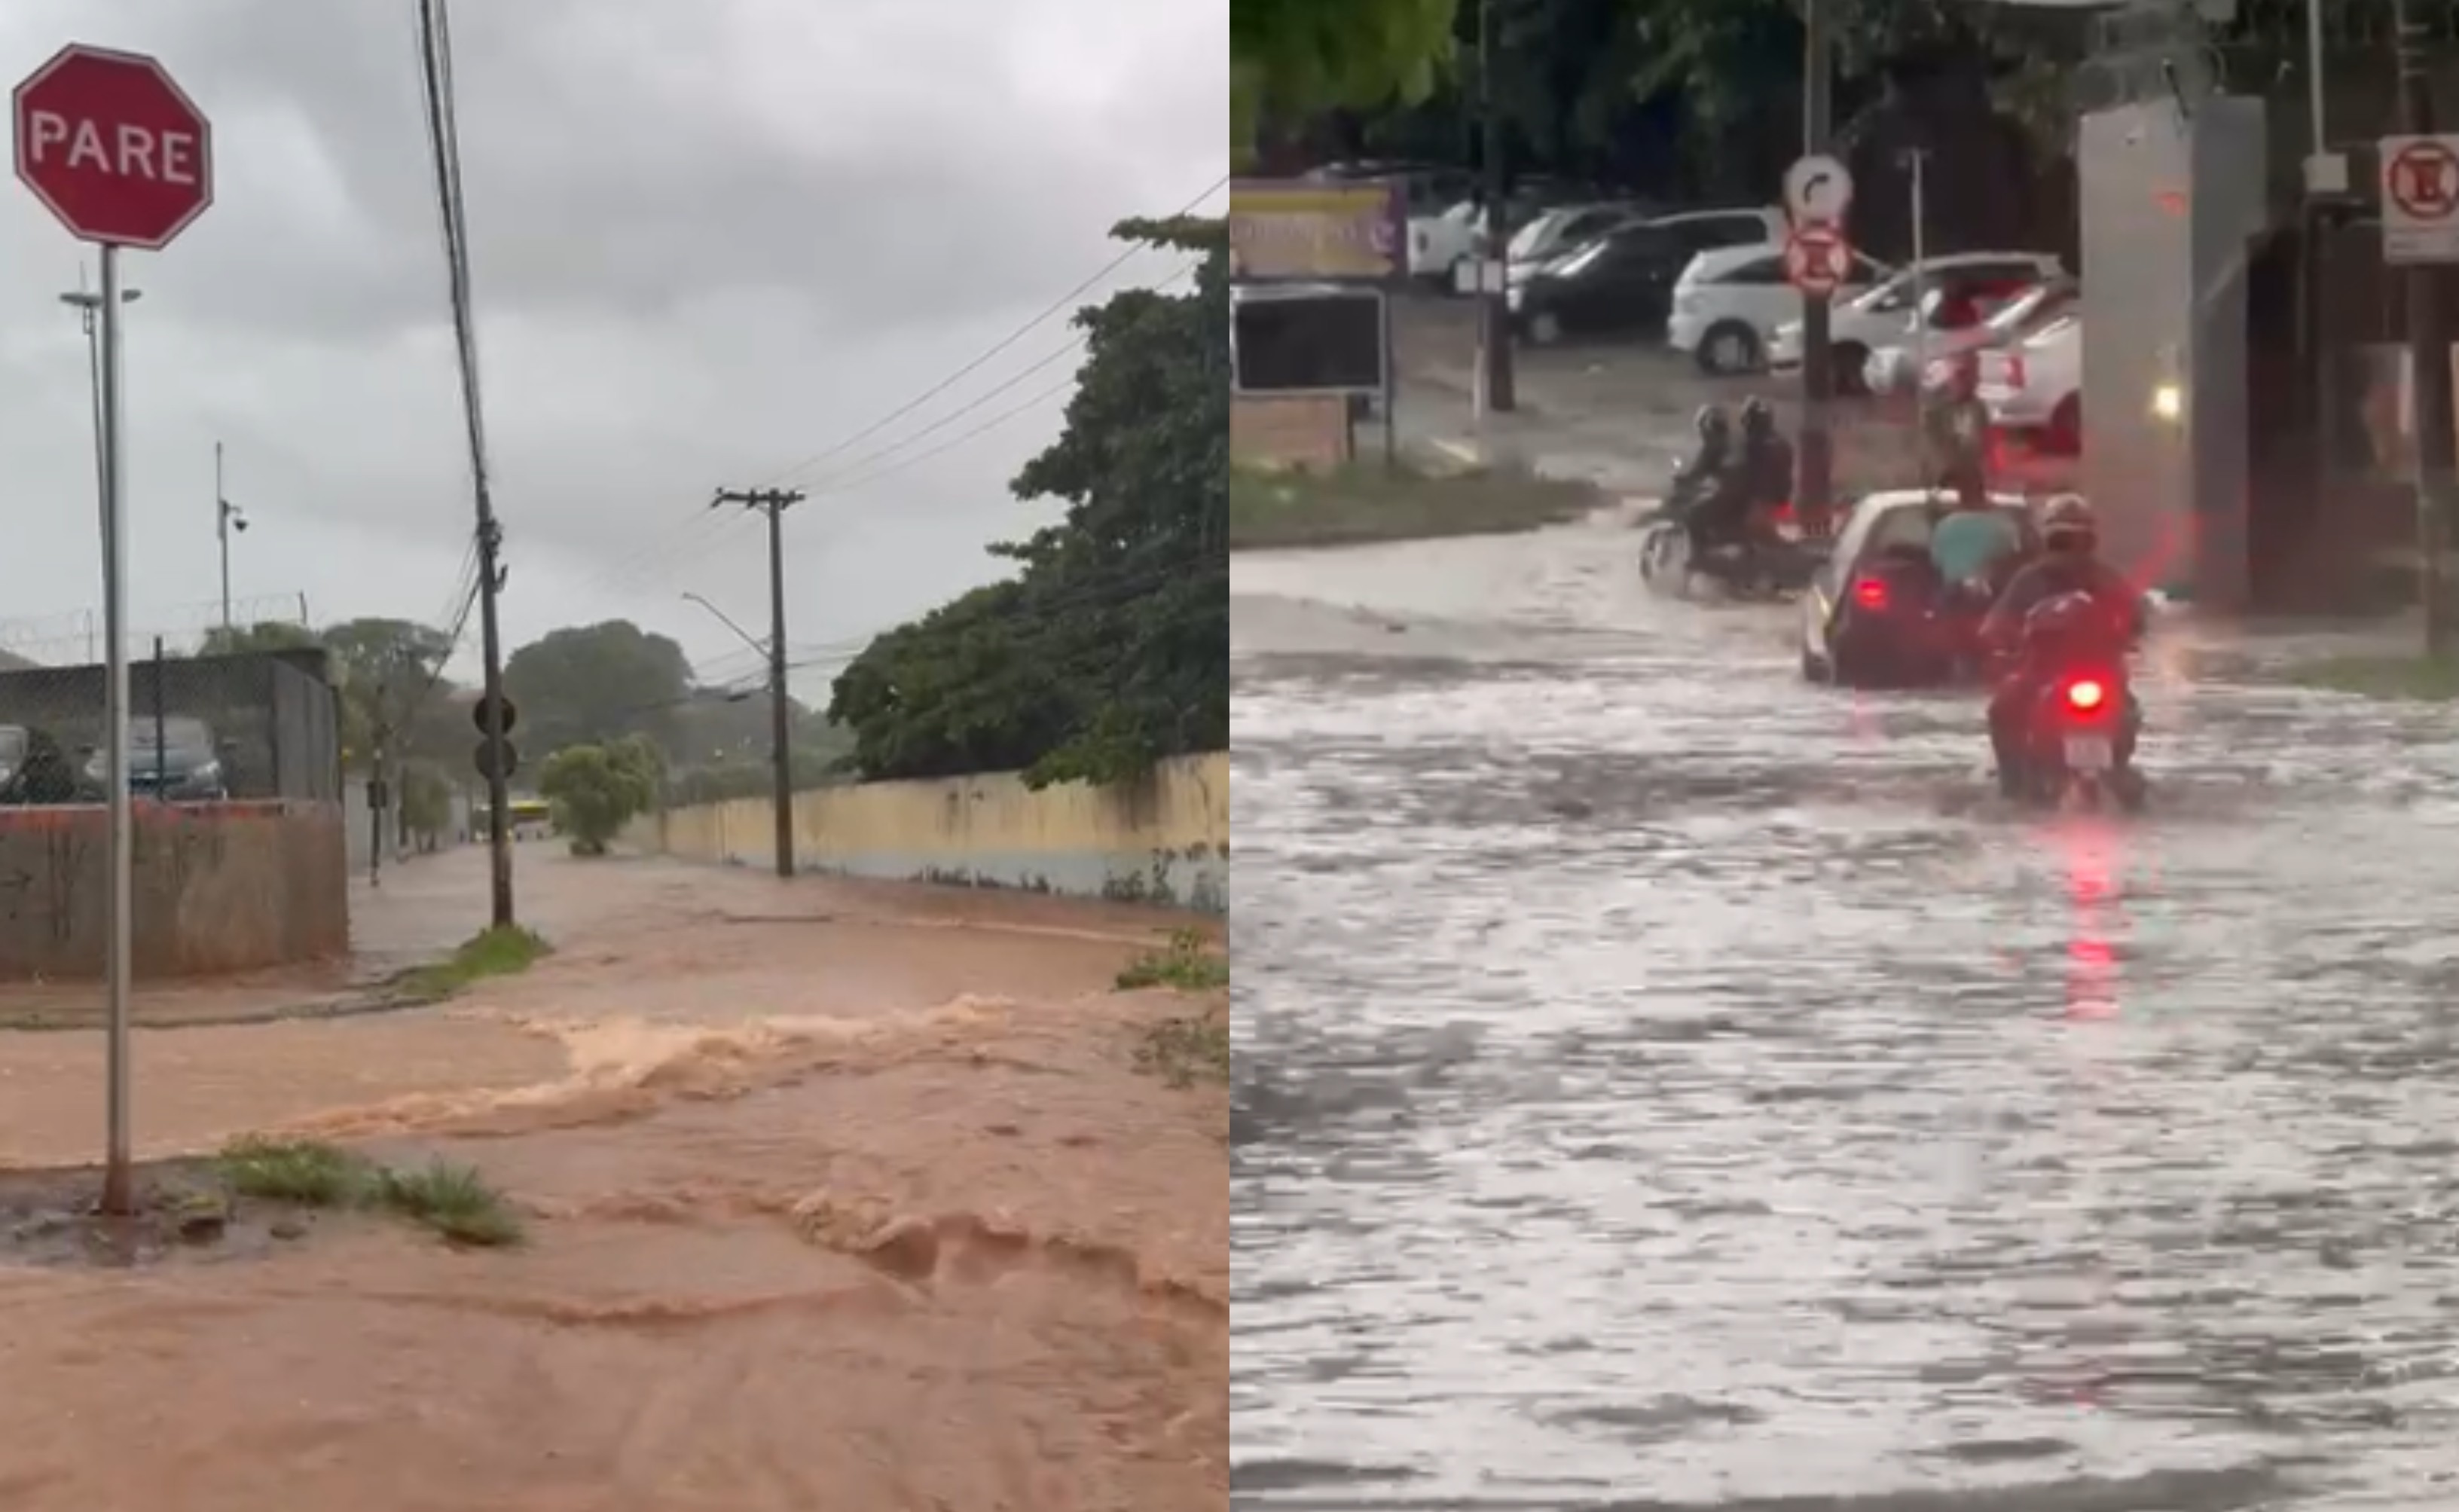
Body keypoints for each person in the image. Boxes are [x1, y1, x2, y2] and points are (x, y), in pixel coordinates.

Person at [1979, 496, 2146, 792]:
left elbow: (2136, 620)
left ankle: (2116, 770)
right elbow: (1997, 624)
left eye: (2077, 541)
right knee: (2002, 709)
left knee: (2129, 710)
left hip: (2099, 675)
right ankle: (2012, 783)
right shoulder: (2029, 579)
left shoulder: (2105, 579)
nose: (2071, 551)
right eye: (2064, 541)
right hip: (2044, 674)